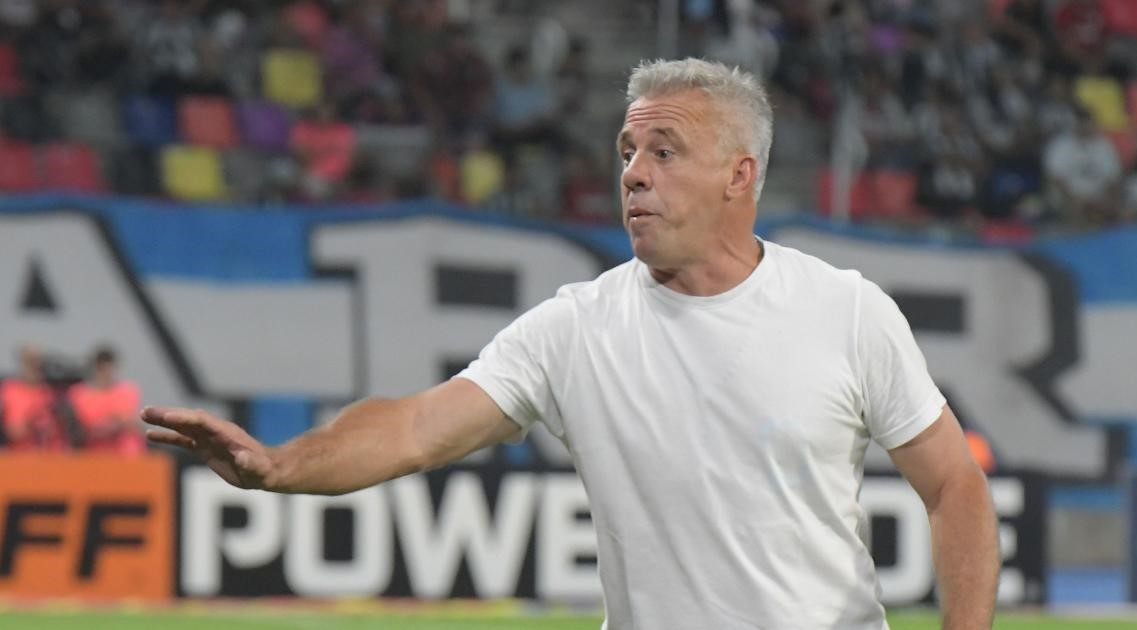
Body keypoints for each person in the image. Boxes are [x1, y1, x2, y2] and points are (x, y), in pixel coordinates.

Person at [144, 58, 999, 629]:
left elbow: (954, 485)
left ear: (739, 175)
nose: (633, 173)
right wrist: (281, 465)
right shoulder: (574, 328)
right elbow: (414, 428)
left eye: (664, 151)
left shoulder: (846, 311)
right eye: (628, 151)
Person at [68, 346, 145, 456]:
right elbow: (85, 428)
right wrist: (113, 422)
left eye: (109, 368)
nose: (106, 373)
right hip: (95, 455)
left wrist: (113, 423)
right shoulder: (79, 394)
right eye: (102, 369)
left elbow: (132, 422)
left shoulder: (128, 391)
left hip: (127, 456)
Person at [0, 344, 60, 450]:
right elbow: (13, 433)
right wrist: (32, 421)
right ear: (22, 363)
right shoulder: (8, 391)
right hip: (18, 455)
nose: (35, 366)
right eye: (30, 361)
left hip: (48, 454)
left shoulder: (48, 392)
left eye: (38, 361)